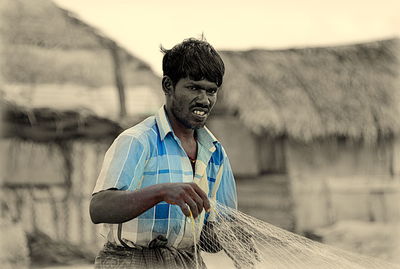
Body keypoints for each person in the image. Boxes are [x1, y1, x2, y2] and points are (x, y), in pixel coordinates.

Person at [90, 38, 237, 268]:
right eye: (194, 87)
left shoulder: (215, 154)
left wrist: (233, 239)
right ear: (168, 86)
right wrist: (162, 192)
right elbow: (99, 208)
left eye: (211, 91)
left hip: (187, 262)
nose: (204, 99)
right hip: (131, 262)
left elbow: (210, 238)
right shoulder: (138, 141)